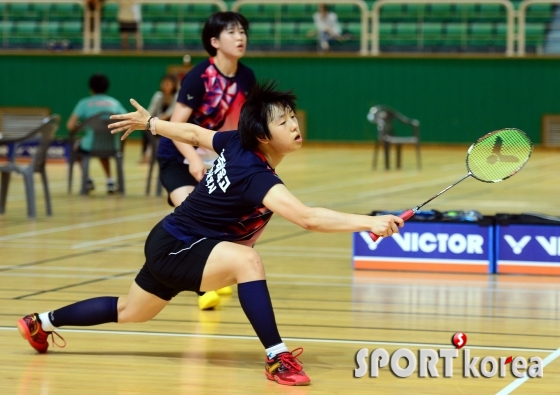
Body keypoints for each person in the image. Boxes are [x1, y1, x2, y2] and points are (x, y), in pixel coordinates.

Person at [16, 81, 404, 387]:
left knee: (130, 311)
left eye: (292, 117)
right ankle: (276, 357)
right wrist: (369, 222)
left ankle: (42, 322)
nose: (294, 125)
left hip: (170, 239)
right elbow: (306, 218)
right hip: (180, 246)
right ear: (263, 136)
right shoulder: (254, 173)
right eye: (283, 122)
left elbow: (195, 134)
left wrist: (150, 123)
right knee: (247, 262)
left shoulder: (236, 143)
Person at [157, 11, 256, 310]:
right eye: (231, 32)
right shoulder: (199, 77)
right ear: (214, 41)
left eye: (242, 32)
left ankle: (216, 275)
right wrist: (193, 160)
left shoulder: (246, 76)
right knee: (190, 211)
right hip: (177, 155)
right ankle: (201, 287)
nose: (240, 37)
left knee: (225, 222)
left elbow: (241, 124)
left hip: (215, 157)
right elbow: (175, 127)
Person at [67, 73, 127, 194]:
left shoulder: (84, 103)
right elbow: (127, 121)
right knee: (103, 151)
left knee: (76, 148)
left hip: (89, 146)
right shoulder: (114, 103)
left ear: (91, 88)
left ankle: (87, 179)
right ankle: (110, 181)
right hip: (113, 146)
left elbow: (70, 125)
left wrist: (82, 126)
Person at [140, 74, 178, 164]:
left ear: (174, 85)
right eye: (164, 83)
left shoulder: (176, 96)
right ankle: (146, 154)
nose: (166, 86)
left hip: (170, 124)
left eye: (168, 84)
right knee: (145, 129)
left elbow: (170, 113)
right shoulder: (158, 96)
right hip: (156, 122)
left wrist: (156, 121)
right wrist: (147, 120)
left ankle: (161, 155)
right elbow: (150, 111)